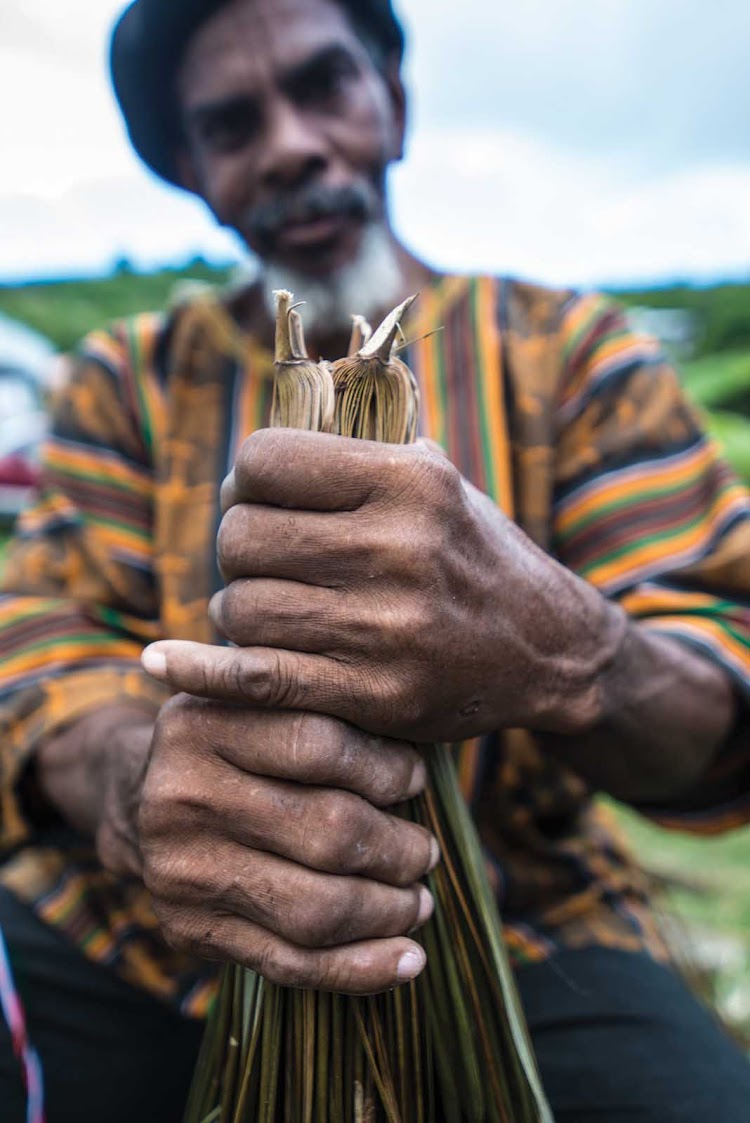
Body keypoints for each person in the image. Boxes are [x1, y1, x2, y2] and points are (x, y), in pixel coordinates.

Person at [2, 0, 750, 1119]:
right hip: (142, 935)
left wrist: (573, 654)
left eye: (324, 87)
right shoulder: (123, 381)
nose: (293, 143)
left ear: (393, 106)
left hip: (523, 915)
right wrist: (137, 777)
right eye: (231, 123)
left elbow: (720, 672)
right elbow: (40, 647)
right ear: (194, 172)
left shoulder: (569, 352)